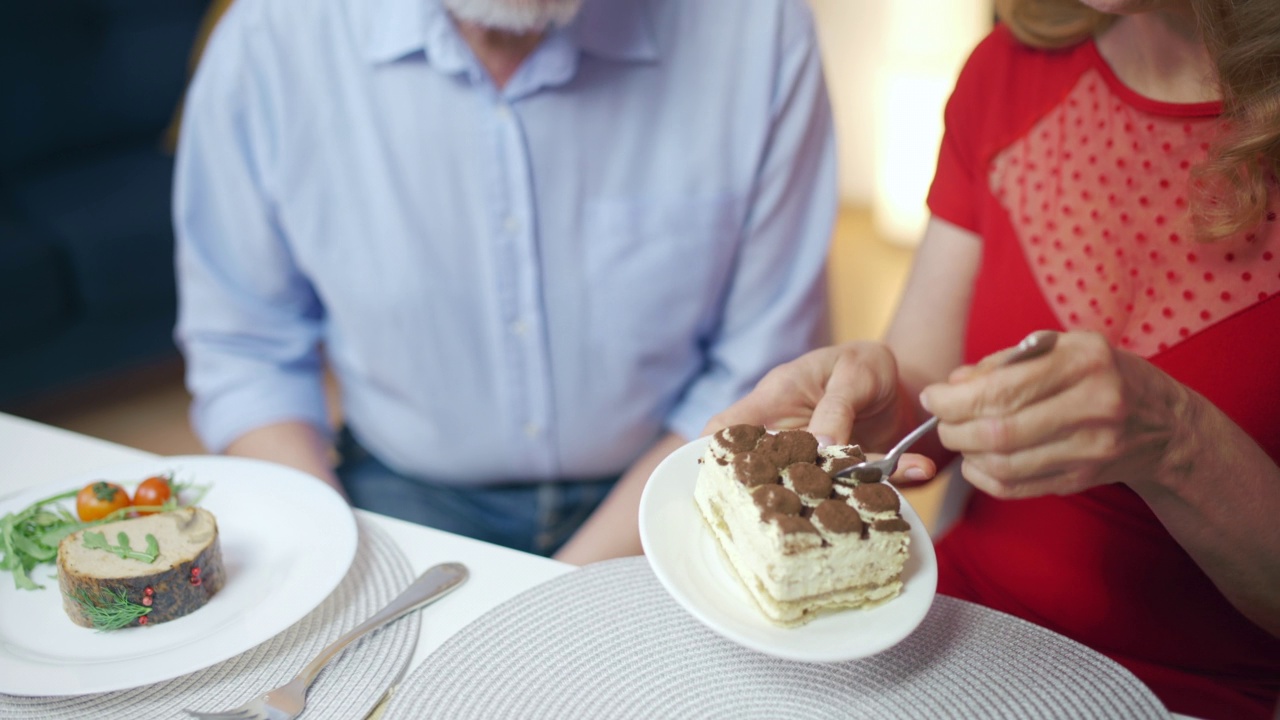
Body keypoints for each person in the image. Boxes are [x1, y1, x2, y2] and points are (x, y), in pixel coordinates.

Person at [707, 0, 1280, 716]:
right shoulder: (1008, 70)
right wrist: (883, 400)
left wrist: (1177, 439)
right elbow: (927, 385)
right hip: (950, 643)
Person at [173, 0, 838, 564]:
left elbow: (761, 367)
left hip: (682, 477)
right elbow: (246, 349)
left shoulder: (757, 28)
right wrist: (334, 559)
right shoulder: (269, 43)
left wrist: (541, 602)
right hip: (404, 492)